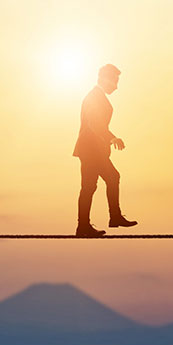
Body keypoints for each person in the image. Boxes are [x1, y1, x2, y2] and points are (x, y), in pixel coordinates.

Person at [72, 64, 137, 237]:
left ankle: (85, 226)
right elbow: (95, 124)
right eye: (114, 81)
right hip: (91, 150)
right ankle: (111, 218)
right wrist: (111, 138)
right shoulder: (94, 97)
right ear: (105, 79)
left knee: (90, 187)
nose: (116, 86)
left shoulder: (96, 96)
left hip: (92, 150)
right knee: (109, 179)